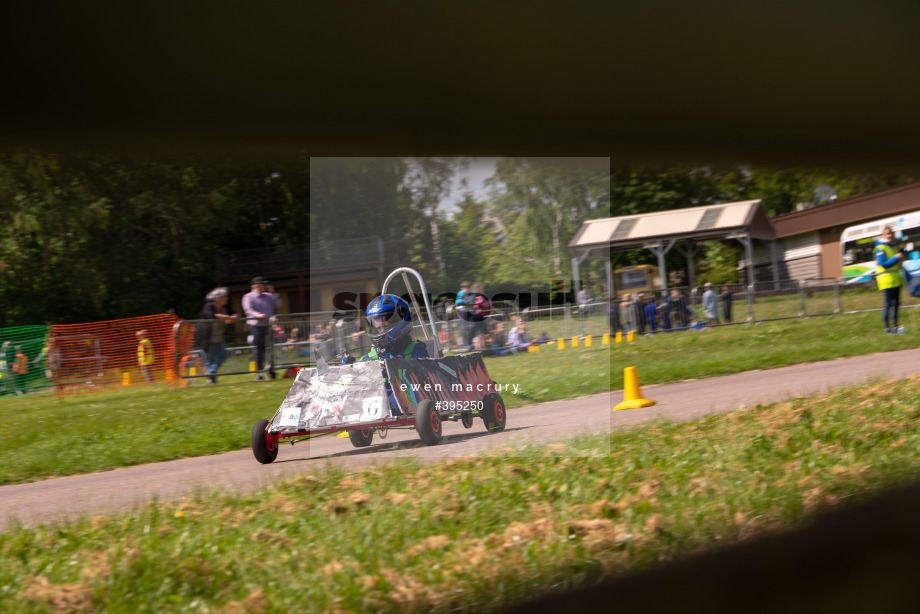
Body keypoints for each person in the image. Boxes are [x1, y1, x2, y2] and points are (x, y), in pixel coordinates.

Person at [357, 294, 428, 415]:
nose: (381, 331)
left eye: (385, 326)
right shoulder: (376, 353)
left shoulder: (415, 348)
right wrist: (351, 366)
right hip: (377, 400)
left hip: (406, 398)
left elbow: (419, 378)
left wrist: (391, 363)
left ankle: (385, 408)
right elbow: (361, 369)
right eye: (379, 328)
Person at [242, 276, 283, 380]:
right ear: (254, 286)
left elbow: (279, 304)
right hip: (257, 327)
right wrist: (257, 315)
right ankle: (260, 373)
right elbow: (248, 310)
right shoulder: (248, 297)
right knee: (259, 351)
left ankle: (272, 372)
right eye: (261, 284)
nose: (264, 286)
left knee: (270, 350)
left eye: (264, 285)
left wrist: (273, 292)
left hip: (268, 327)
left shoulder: (269, 296)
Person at [199, 287, 239, 384]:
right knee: (209, 359)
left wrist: (235, 317)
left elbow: (236, 314)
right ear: (218, 298)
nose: (227, 298)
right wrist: (229, 317)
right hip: (207, 338)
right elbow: (213, 315)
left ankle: (211, 373)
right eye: (225, 296)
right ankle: (211, 378)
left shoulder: (226, 307)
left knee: (223, 355)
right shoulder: (209, 306)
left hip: (219, 336)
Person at [875, 226, 905, 333]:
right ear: (883, 235)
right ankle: (887, 328)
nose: (889, 235)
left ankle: (895, 326)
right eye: (887, 233)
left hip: (895, 279)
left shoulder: (893, 247)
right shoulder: (880, 248)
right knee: (888, 304)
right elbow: (883, 264)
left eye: (891, 233)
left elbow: (896, 262)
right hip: (887, 280)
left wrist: (901, 258)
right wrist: (896, 258)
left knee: (896, 303)